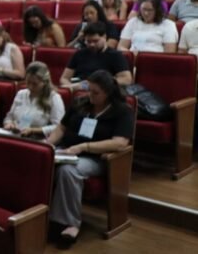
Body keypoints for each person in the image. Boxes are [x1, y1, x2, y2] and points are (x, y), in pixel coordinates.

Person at [48, 70, 135, 248]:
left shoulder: (122, 111)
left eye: (96, 93)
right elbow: (61, 129)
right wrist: (47, 145)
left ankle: (69, 224)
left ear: (108, 93)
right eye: (89, 90)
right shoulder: (80, 103)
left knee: (67, 171)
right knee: (40, 159)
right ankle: (38, 216)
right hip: (67, 150)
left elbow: (119, 143)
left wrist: (83, 147)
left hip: (96, 158)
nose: (90, 95)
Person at [60, 22, 133, 92]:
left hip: (104, 91)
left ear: (104, 37)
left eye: (95, 41)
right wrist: (71, 86)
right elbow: (64, 78)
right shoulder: (79, 54)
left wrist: (97, 84)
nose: (92, 44)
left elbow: (126, 79)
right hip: (79, 89)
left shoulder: (115, 55)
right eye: (88, 41)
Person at [3, 61, 65, 136]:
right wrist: (9, 123)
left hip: (38, 139)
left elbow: (58, 127)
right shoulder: (21, 94)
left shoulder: (54, 98)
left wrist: (33, 130)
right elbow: (9, 116)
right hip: (15, 135)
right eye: (28, 82)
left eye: (35, 84)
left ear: (44, 82)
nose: (30, 87)